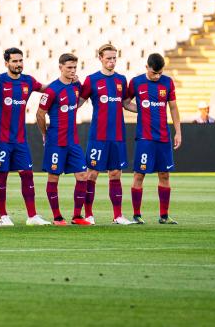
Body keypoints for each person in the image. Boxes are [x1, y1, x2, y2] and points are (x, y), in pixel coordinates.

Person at [0, 48, 51, 227]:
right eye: (14, 61)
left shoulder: (28, 81)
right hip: (1, 139)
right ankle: (3, 216)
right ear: (6, 63)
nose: (18, 64)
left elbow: (48, 89)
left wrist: (69, 82)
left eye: (20, 61)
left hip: (20, 139)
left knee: (27, 175)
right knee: (2, 176)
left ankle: (32, 216)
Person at [78, 44, 137, 225]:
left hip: (117, 135)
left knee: (115, 174)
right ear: (100, 58)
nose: (112, 61)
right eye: (108, 58)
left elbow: (126, 103)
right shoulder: (91, 80)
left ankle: (118, 215)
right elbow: (78, 102)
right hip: (98, 135)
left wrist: (146, 109)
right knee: (92, 174)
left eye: (114, 58)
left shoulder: (121, 80)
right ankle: (88, 214)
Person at [36, 53, 91, 226]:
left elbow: (77, 103)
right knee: (54, 177)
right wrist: (45, 133)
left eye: (75, 67)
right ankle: (57, 216)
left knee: (82, 175)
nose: (72, 71)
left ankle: (77, 216)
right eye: (69, 67)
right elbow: (40, 114)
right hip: (56, 141)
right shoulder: (52, 89)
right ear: (60, 67)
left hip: (72, 140)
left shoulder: (76, 87)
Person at [127, 53, 182, 225]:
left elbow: (173, 107)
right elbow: (125, 102)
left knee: (164, 175)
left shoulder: (168, 82)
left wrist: (178, 131)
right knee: (139, 174)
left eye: (159, 73)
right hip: (145, 137)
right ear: (147, 68)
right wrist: (141, 110)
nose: (157, 76)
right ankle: (136, 215)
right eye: (153, 73)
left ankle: (164, 216)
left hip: (163, 137)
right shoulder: (136, 82)